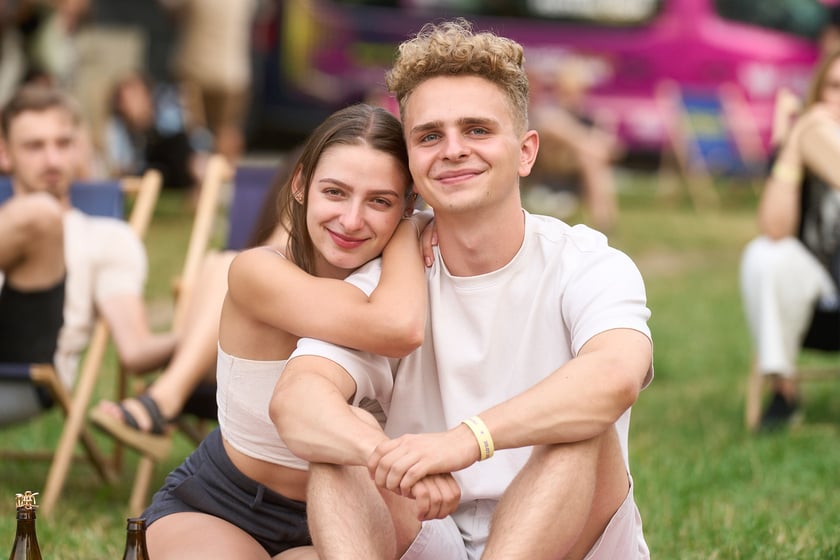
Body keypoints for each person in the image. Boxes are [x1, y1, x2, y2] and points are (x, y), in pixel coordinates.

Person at [272, 18, 653, 560]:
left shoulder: (587, 262)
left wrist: (465, 440)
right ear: (411, 164)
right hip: (433, 529)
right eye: (430, 136)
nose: (452, 150)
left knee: (581, 427)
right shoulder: (390, 284)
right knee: (340, 436)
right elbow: (297, 400)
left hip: (575, 538)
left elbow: (614, 377)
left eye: (476, 130)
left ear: (526, 152)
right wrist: (382, 455)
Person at [142, 103, 432, 559]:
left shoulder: (403, 284)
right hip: (223, 504)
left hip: (342, 512)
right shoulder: (257, 271)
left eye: (380, 201)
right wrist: (409, 229)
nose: (351, 220)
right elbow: (397, 328)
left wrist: (408, 225)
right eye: (335, 192)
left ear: (406, 202)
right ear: (300, 185)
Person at [0, 84, 176, 425]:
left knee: (41, 214)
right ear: (5, 154)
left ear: (79, 149)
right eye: (35, 146)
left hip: (24, 375)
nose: (52, 160)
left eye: (63, 144)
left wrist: (203, 335)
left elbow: (136, 349)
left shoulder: (108, 237)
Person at [740, 47, 840, 431]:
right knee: (765, 253)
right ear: (818, 92)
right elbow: (774, 228)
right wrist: (798, 143)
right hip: (819, 307)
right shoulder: (804, 137)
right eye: (834, 86)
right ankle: (783, 390)